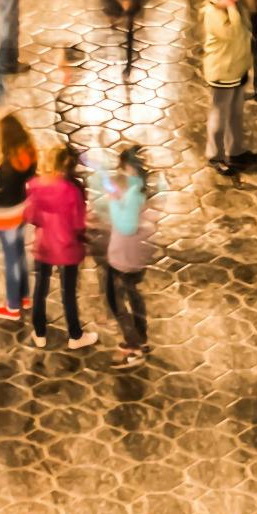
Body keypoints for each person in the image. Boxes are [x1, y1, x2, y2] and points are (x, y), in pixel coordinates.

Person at [92, 144, 153, 368]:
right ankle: (142, 339)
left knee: (116, 300)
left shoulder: (134, 194)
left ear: (129, 167)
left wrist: (113, 202)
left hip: (125, 255)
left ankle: (133, 346)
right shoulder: (138, 189)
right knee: (133, 295)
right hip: (135, 253)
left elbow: (126, 225)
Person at [24, 143, 90, 349]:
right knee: (68, 292)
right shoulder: (73, 190)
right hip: (68, 248)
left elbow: (30, 215)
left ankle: (40, 332)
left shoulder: (35, 184)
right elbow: (79, 224)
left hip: (44, 245)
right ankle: (75, 336)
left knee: (40, 289)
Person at [0, 114, 37, 328]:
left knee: (11, 261)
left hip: (5, 217)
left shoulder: (5, 167)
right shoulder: (28, 154)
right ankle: (24, 297)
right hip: (21, 212)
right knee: (19, 256)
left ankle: (12, 306)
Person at [199, 0, 256, 174]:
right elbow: (232, 33)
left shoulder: (236, 4)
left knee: (236, 113)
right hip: (222, 73)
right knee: (219, 115)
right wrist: (231, 7)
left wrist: (234, 4)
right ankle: (215, 155)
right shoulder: (212, 13)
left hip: (237, 69)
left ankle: (236, 151)